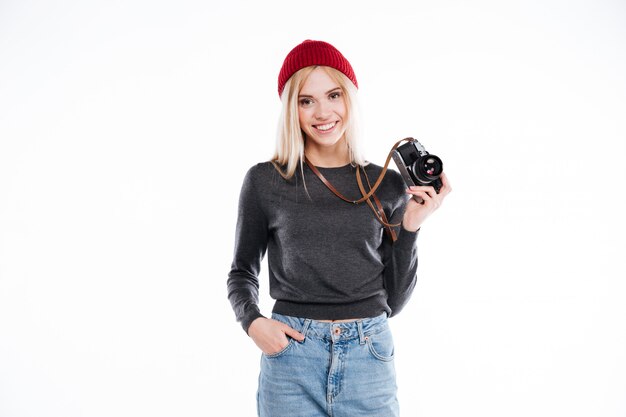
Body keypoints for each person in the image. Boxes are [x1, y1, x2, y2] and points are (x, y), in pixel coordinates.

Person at [227, 39, 451, 417]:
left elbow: (392, 303)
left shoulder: (388, 184)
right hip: (291, 356)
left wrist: (411, 227)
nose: (323, 111)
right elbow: (241, 272)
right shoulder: (266, 181)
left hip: (369, 354)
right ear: (291, 111)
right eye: (306, 100)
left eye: (333, 94)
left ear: (350, 98)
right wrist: (253, 322)